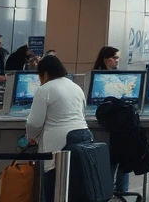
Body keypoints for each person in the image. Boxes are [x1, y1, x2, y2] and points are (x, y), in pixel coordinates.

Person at [25, 55, 91, 202]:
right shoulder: (75, 87)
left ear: (44, 73)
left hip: (59, 143)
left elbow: (34, 123)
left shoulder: (45, 89)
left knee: (54, 188)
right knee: (76, 186)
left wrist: (31, 137)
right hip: (84, 137)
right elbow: (82, 112)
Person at [92, 45, 130, 191]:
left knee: (119, 157)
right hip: (109, 122)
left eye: (117, 57)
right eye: (113, 58)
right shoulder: (97, 78)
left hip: (115, 121)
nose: (116, 61)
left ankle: (118, 192)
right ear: (104, 59)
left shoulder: (117, 77)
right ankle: (111, 191)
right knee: (113, 158)